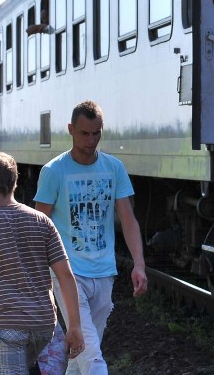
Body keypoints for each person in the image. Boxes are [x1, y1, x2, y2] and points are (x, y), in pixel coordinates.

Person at [34, 100, 147, 375]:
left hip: (104, 273)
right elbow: (39, 225)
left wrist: (139, 264)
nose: (91, 140)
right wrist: (40, 275)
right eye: (84, 133)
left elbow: (128, 220)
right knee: (92, 357)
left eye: (96, 133)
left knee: (78, 354)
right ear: (71, 129)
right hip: (67, 275)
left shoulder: (114, 168)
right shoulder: (53, 171)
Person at [0, 152, 84, 374]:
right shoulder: (42, 221)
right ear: (14, 183)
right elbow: (66, 275)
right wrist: (75, 326)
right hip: (43, 324)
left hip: (6, 326)